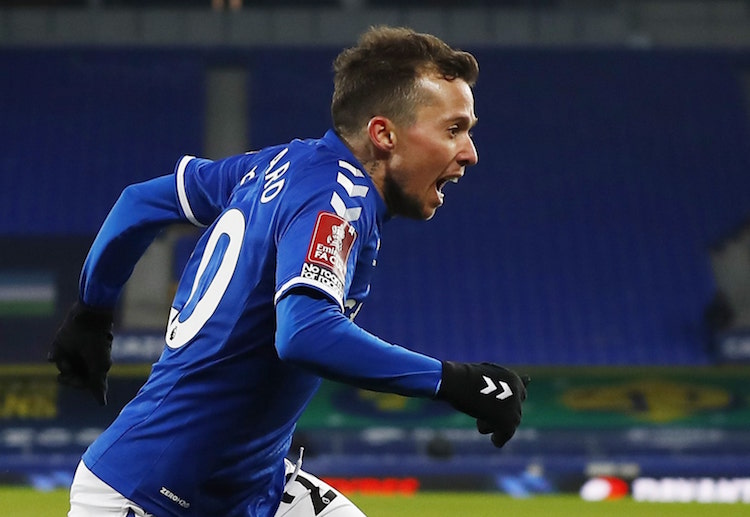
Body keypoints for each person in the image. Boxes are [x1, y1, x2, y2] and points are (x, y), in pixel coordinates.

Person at [49, 25, 529, 517]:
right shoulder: (338, 199)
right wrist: (455, 381)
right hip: (153, 496)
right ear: (383, 134)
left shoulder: (275, 165)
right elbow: (305, 335)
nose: (469, 152)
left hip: (243, 486)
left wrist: (92, 309)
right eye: (453, 129)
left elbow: (140, 202)